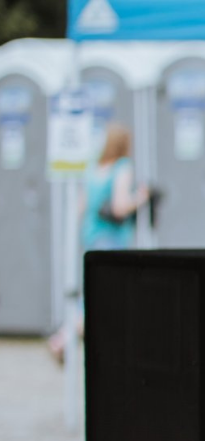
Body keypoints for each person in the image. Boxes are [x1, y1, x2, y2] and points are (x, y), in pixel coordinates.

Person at [47, 122, 149, 360]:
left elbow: (80, 207)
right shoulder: (122, 167)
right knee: (102, 296)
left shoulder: (94, 168)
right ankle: (65, 339)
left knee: (91, 292)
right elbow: (120, 206)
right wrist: (141, 198)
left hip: (90, 236)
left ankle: (64, 337)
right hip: (111, 238)